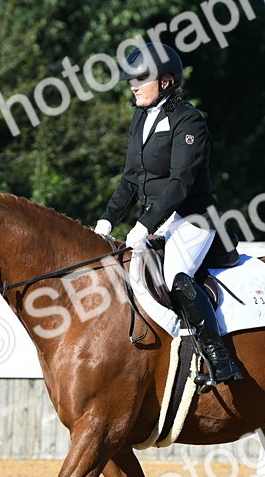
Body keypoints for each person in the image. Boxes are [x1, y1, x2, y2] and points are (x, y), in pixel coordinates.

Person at [94, 43, 245, 388]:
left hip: (193, 218)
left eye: (140, 79)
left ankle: (219, 359)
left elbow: (181, 182)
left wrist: (144, 225)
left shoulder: (188, 119)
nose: (132, 85)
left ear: (165, 82)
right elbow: (131, 177)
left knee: (177, 275)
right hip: (158, 220)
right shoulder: (140, 117)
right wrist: (107, 219)